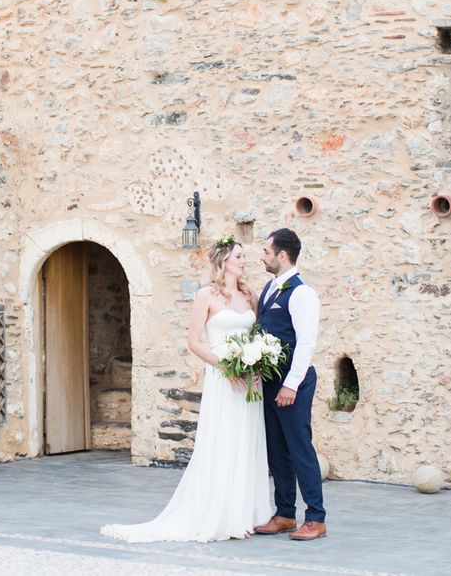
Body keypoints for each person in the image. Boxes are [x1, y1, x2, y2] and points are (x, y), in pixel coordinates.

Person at [101, 238, 272, 543]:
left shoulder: (250, 296)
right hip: (223, 378)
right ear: (224, 260)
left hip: (249, 381)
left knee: (247, 441)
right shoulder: (206, 295)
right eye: (239, 256)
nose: (245, 260)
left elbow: (258, 335)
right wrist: (226, 367)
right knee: (223, 442)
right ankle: (221, 514)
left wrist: (255, 366)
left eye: (245, 256)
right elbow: (194, 342)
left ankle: (245, 513)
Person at [254, 228, 327, 540]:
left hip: (292, 383)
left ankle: (316, 518)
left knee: (299, 448)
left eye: (267, 252)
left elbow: (306, 343)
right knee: (276, 450)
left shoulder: (302, 293)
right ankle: (284, 513)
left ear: (282, 255)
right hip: (270, 382)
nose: (263, 256)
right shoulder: (270, 287)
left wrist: (291, 385)